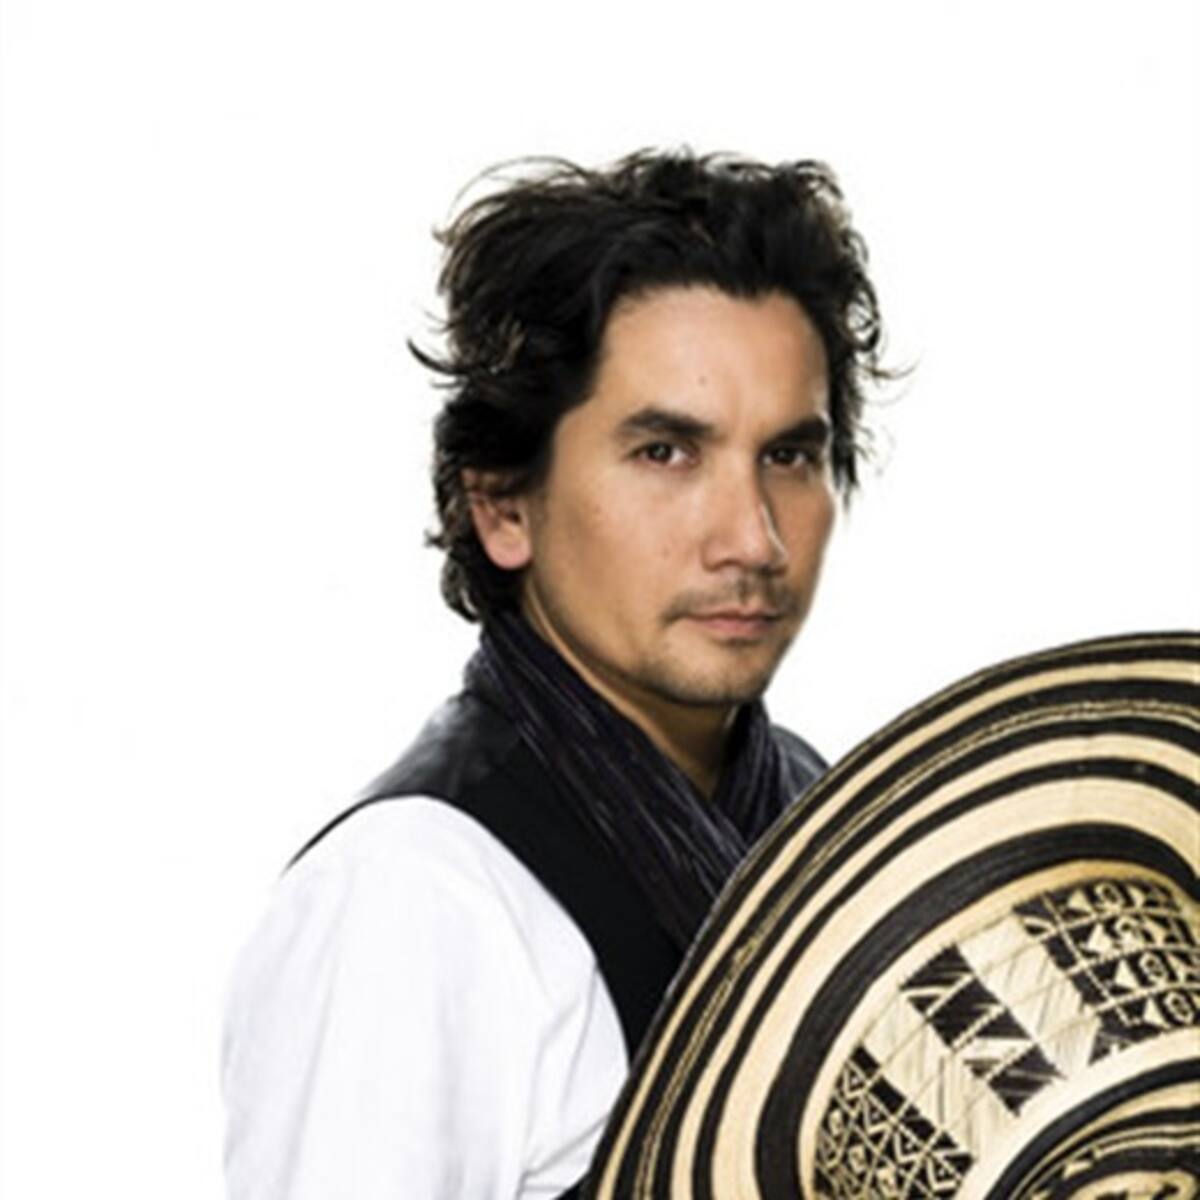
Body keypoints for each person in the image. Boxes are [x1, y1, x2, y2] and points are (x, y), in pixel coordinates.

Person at [222, 149, 891, 1199]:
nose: (754, 540)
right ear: (503, 506)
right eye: (666, 452)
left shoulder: (829, 817)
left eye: (789, 456)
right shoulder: (412, 900)